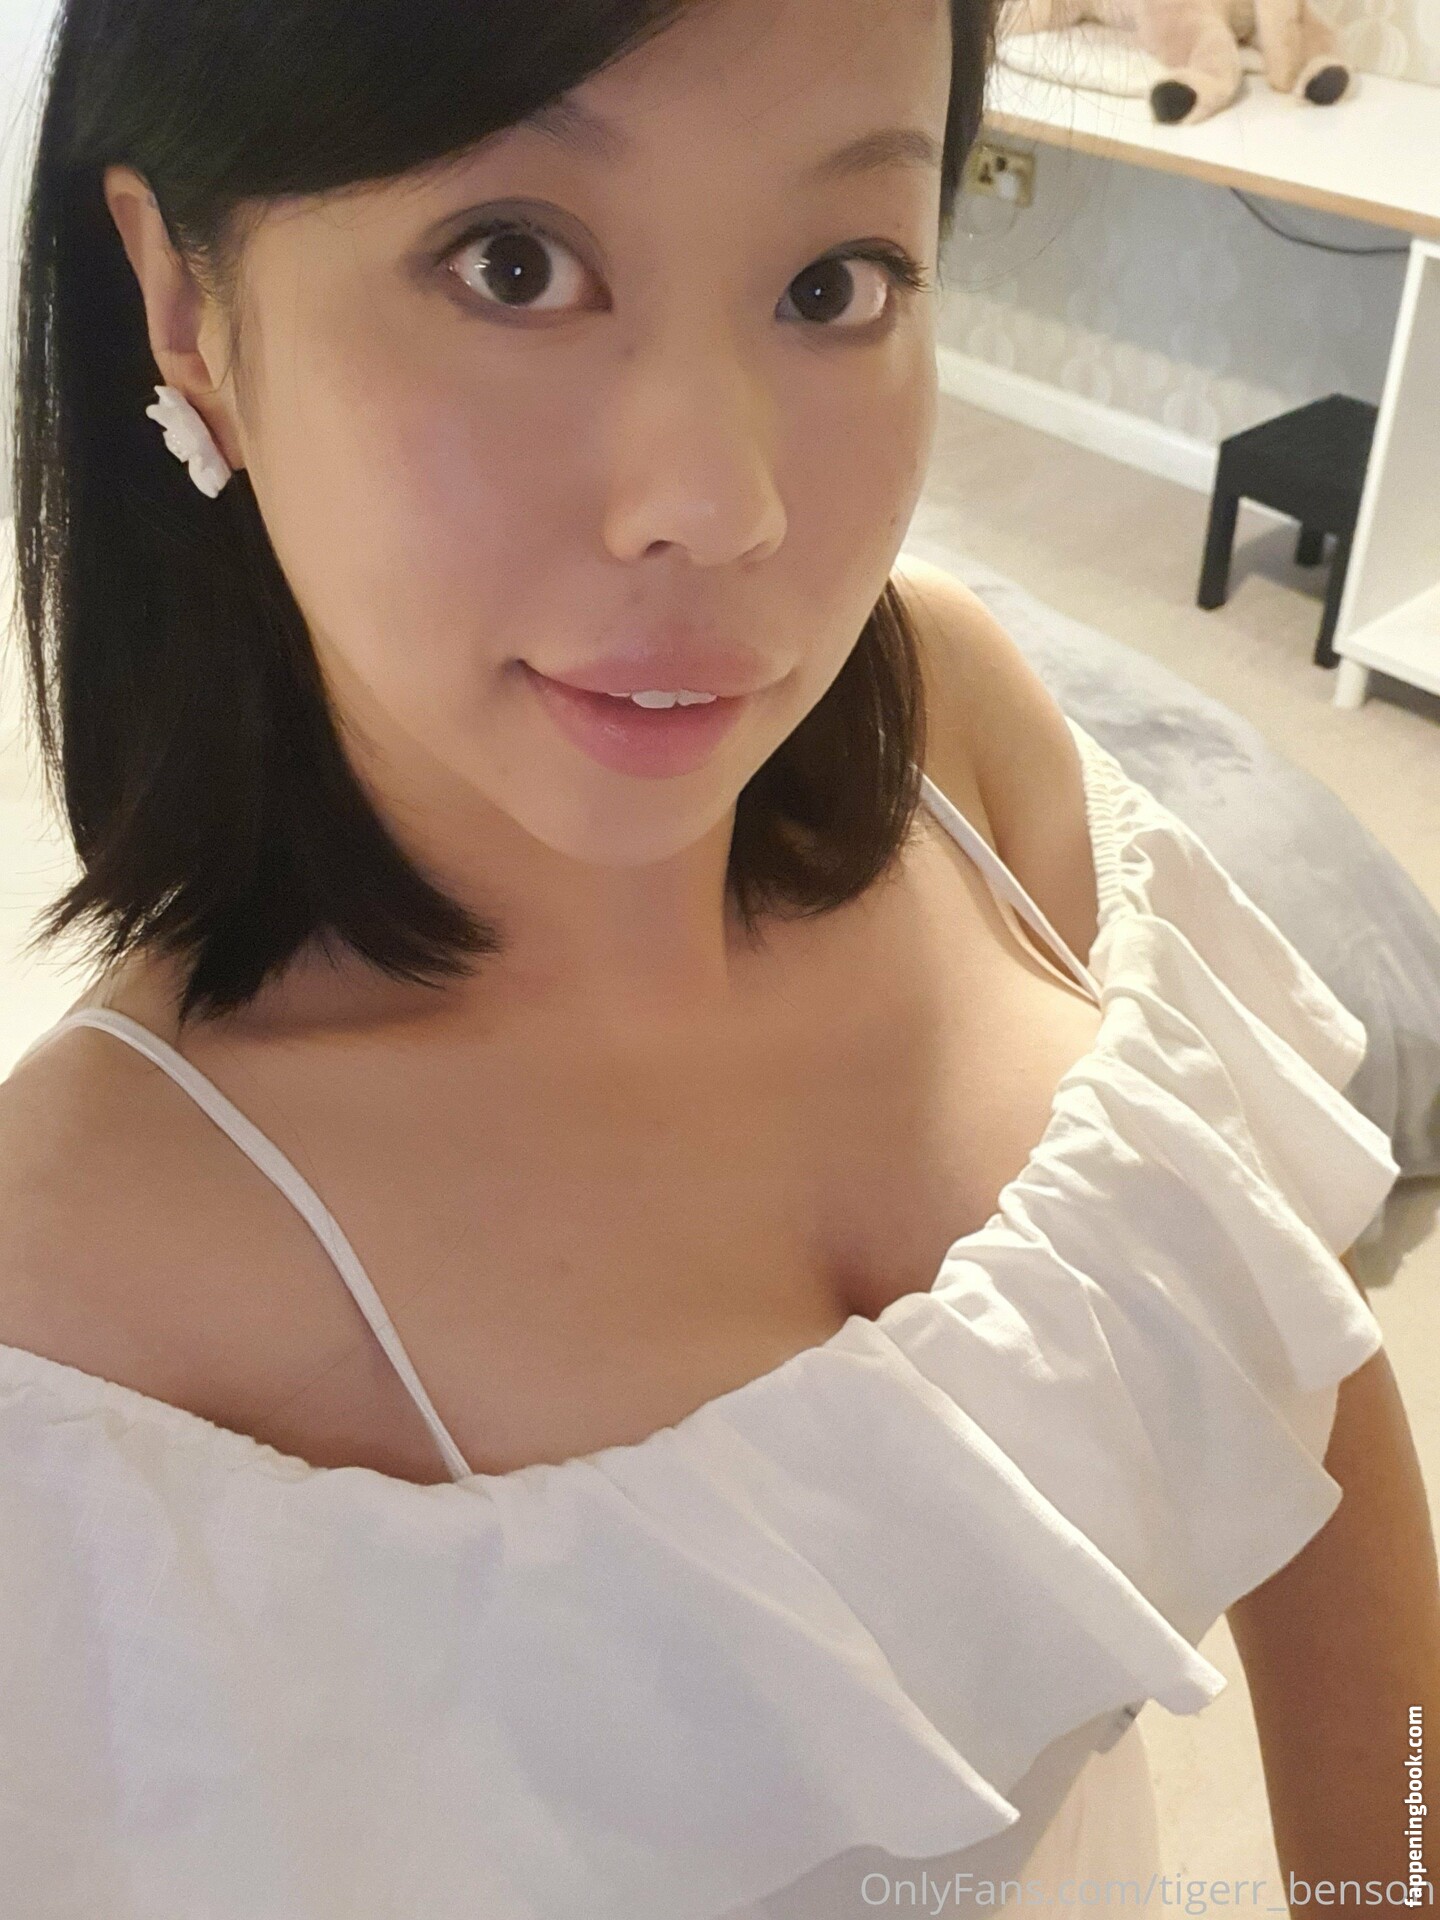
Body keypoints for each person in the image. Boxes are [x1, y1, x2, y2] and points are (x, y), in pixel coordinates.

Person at [0, 0, 1435, 1912]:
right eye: (514, 264)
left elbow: (1311, 1416)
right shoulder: (80, 1304)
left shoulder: (956, 737)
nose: (726, 508)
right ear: (185, 305)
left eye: (836, 280)